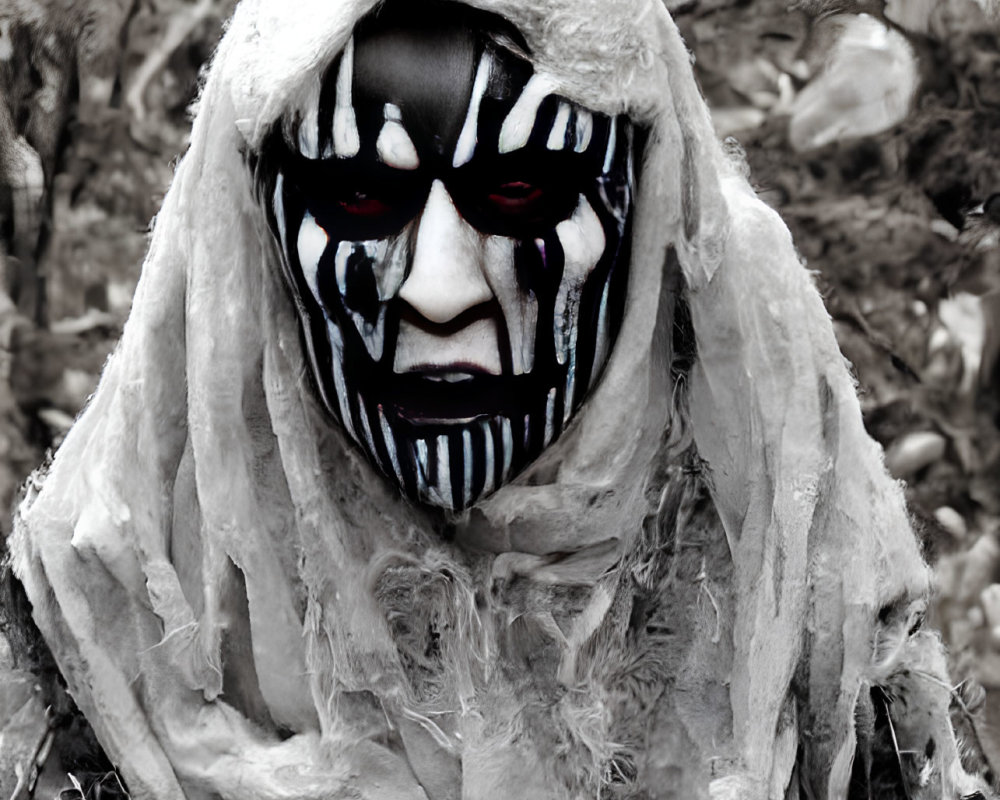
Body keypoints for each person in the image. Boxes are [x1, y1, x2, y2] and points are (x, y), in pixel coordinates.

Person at [1, 0, 992, 797]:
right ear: (254, 238)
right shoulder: (104, 623)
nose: (438, 288)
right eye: (356, 196)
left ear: (644, 215)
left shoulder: (802, 608)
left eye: (520, 189)